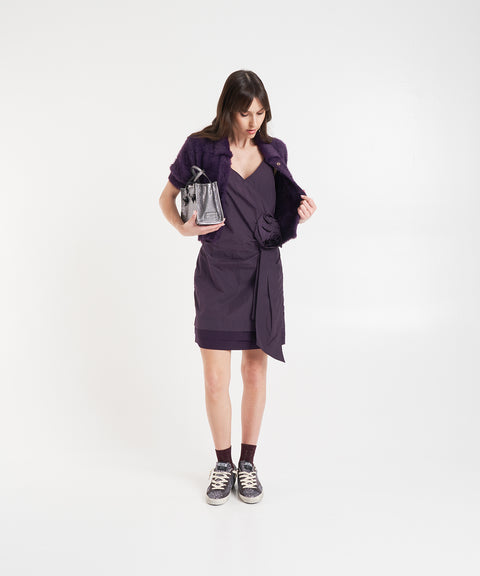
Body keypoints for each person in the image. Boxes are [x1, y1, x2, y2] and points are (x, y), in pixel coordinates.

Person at [159, 70, 316, 505]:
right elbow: (166, 198)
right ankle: (223, 463)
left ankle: (247, 463)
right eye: (245, 112)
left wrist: (299, 214)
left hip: (261, 273)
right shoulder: (200, 147)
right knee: (215, 380)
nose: (253, 122)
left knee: (254, 372)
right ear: (227, 108)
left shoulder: (274, 150)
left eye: (260, 113)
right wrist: (183, 228)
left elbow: (278, 212)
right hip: (216, 274)